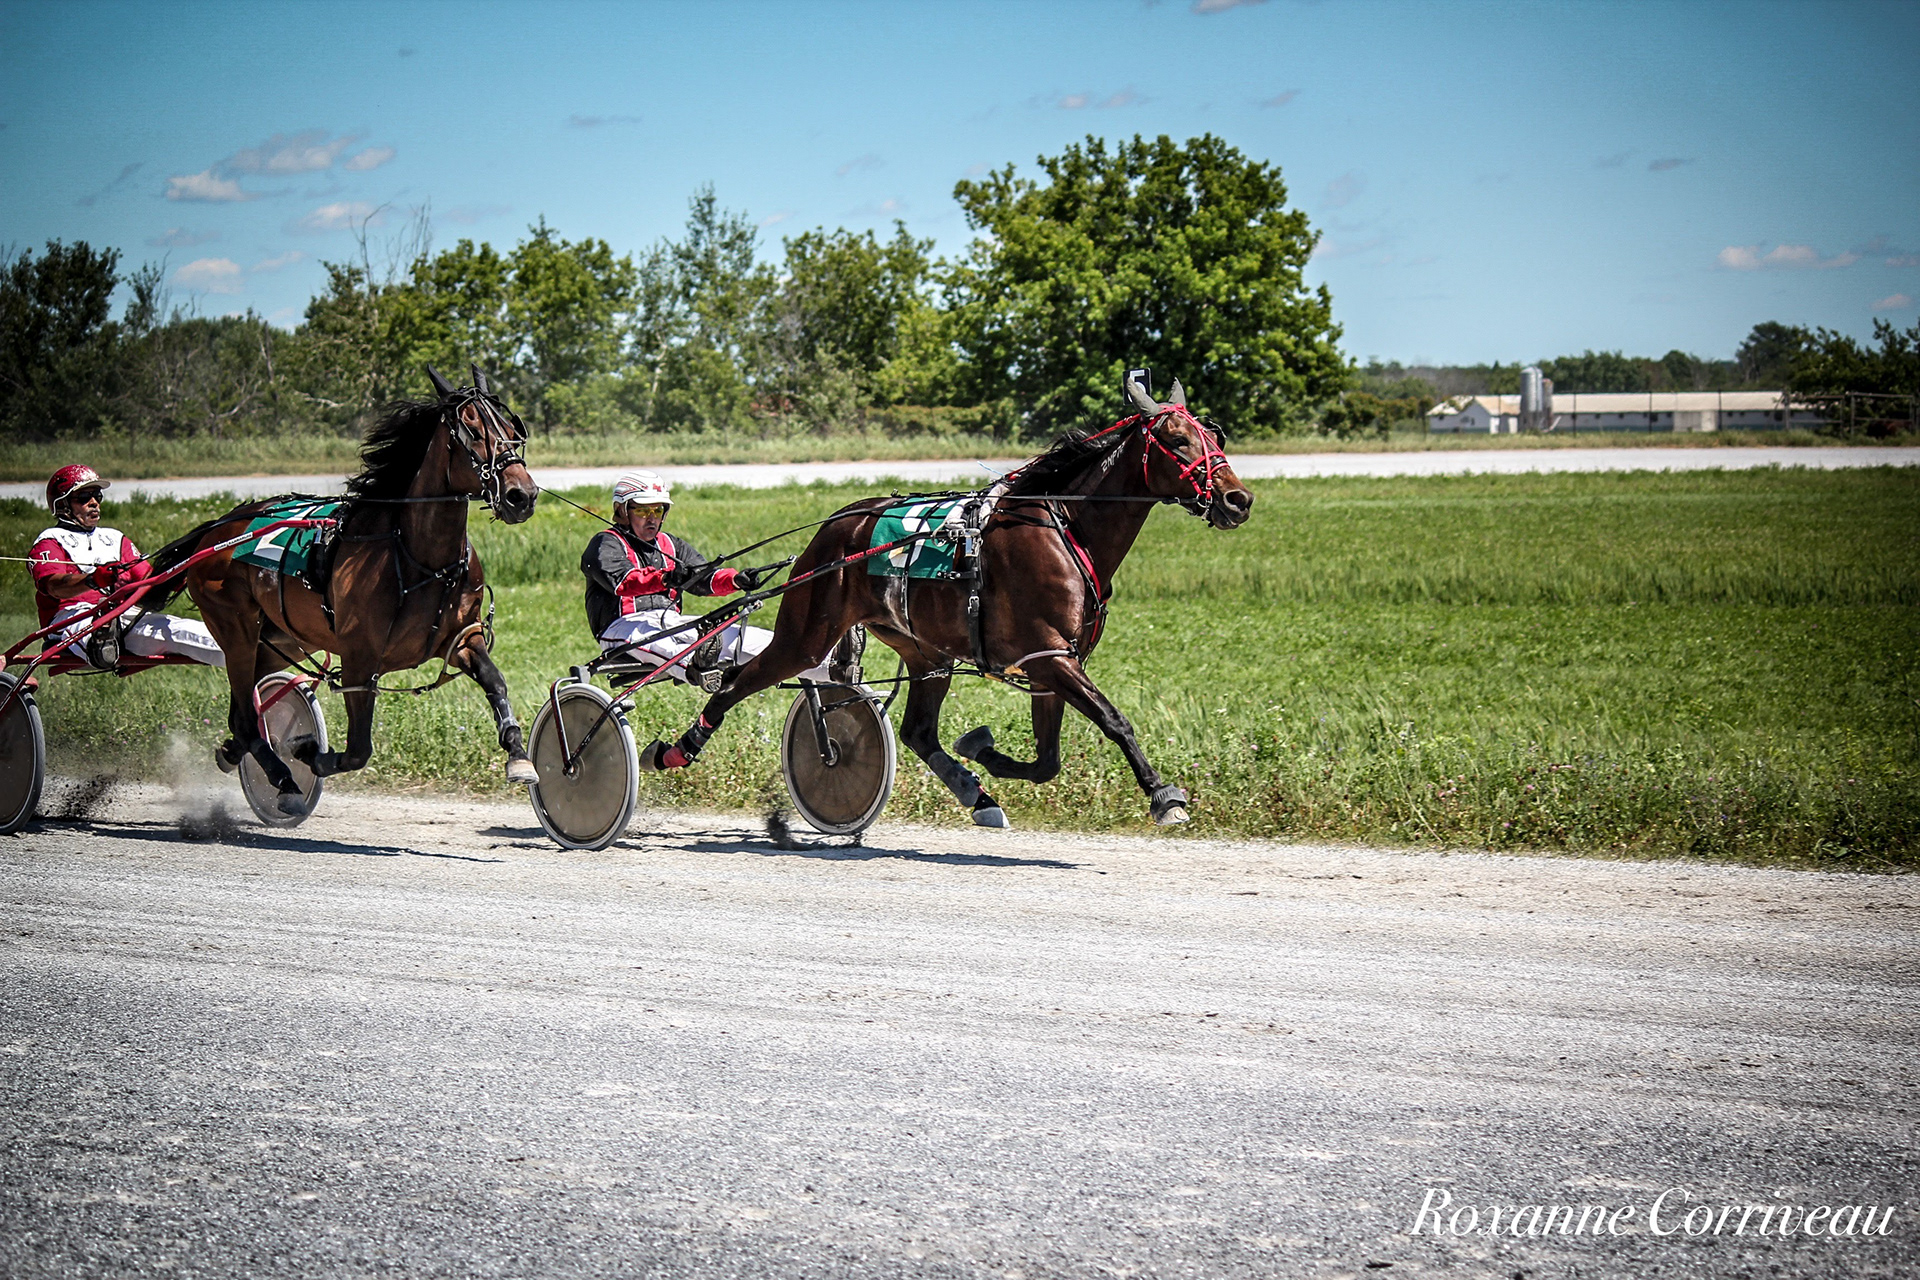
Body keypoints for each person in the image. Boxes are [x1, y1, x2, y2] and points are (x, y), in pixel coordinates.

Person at [580, 471, 819, 689]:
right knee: (662, 645)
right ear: (622, 510)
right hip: (622, 627)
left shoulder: (671, 544)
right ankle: (697, 668)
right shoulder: (605, 543)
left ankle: (828, 661)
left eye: (658, 510)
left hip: (671, 622)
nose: (651, 518)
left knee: (746, 639)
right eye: (643, 511)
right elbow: (624, 582)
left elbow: (704, 577)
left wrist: (736, 580)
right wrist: (667, 577)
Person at [28, 465, 226, 669]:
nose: (94, 502)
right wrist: (93, 579)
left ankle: (251, 659)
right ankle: (101, 643)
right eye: (84, 497)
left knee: (184, 632)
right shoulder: (49, 540)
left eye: (97, 496)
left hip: (124, 618)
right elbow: (53, 586)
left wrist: (176, 576)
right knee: (90, 630)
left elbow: (147, 579)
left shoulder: (114, 538)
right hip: (70, 619)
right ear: (62, 505)